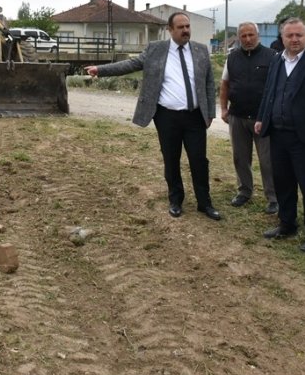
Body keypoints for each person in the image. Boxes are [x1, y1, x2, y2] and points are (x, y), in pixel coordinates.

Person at [86, 12, 220, 221]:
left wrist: (210, 112)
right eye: (180, 27)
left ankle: (205, 203)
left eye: (187, 26)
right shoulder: (156, 49)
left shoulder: (201, 51)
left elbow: (209, 83)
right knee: (171, 159)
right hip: (167, 117)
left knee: (199, 161)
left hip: (195, 117)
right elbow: (129, 65)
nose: (186, 30)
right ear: (170, 29)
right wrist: (100, 70)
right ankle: (175, 200)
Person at [254, 17, 305, 252]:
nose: (294, 39)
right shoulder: (277, 60)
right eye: (289, 35)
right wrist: (262, 117)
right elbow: (269, 92)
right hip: (279, 134)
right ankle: (287, 224)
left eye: (299, 35)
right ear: (282, 38)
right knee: (283, 183)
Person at [219, 22, 279, 214]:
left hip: (264, 118)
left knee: (267, 160)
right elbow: (225, 85)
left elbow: (279, 87)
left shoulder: (272, 57)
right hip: (237, 116)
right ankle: (244, 191)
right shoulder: (232, 58)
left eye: (251, 35)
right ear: (238, 38)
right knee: (240, 157)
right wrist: (223, 109)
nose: (248, 39)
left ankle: (273, 197)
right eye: (243, 36)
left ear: (258, 35)